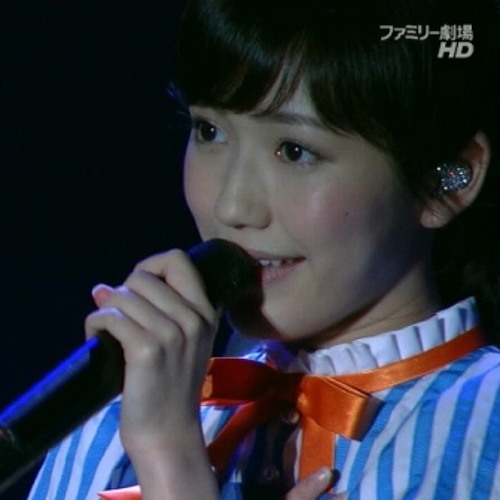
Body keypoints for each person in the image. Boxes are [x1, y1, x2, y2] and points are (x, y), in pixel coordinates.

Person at [28, 0, 500, 499]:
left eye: (295, 151)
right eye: (209, 131)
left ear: (446, 179)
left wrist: (171, 460)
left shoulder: (484, 426)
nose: (232, 206)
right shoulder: (124, 417)